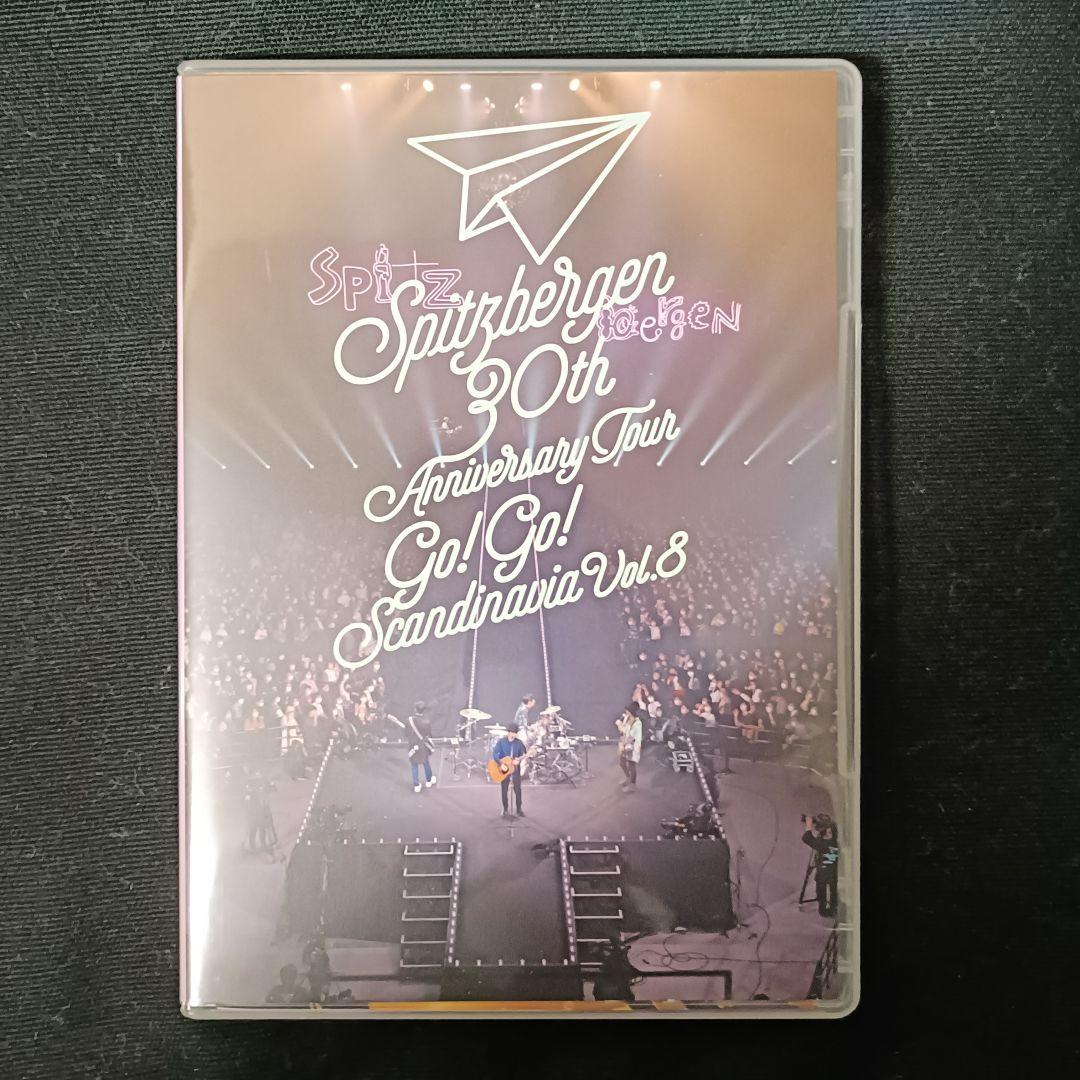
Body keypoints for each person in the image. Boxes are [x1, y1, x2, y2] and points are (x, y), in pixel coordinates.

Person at [801, 814, 840, 918]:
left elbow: (806, 838)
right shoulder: (833, 842)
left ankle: (826, 911)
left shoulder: (823, 844)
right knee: (832, 890)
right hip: (832, 871)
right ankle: (832, 908)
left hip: (824, 874)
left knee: (823, 891)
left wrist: (808, 825)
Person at [491, 721, 528, 818]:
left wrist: (518, 760)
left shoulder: (519, 743)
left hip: (515, 769)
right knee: (504, 789)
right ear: (509, 732)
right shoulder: (501, 742)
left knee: (518, 789)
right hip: (503, 769)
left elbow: (523, 754)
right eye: (513, 733)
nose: (515, 735)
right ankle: (505, 809)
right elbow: (495, 754)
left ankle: (519, 809)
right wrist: (501, 763)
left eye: (516, 733)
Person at [407, 702, 436, 793]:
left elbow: (406, 733)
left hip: (412, 746)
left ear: (415, 709)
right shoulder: (427, 722)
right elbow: (428, 735)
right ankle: (429, 780)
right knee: (426, 762)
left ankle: (416, 785)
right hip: (422, 746)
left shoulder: (409, 720)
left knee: (414, 765)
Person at [615, 706, 643, 790]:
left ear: (631, 712)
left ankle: (632, 784)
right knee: (622, 763)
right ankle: (628, 778)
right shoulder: (626, 719)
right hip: (625, 743)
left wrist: (620, 726)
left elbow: (631, 735)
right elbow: (623, 732)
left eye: (627, 711)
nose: (626, 712)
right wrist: (620, 726)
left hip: (633, 746)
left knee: (631, 765)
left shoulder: (637, 723)